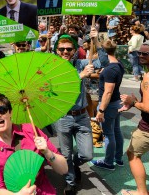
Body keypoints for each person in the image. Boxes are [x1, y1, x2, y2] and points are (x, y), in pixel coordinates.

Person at [53, 29, 108, 195]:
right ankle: (70, 182)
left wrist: (96, 41)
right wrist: (80, 76)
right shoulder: (52, 67)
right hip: (63, 117)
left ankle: (75, 165)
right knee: (67, 154)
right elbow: (56, 86)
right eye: (62, 49)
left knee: (87, 155)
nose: (65, 52)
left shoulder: (81, 63)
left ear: (74, 51)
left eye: (69, 49)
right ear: (56, 51)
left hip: (82, 116)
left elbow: (103, 62)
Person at [0, 92, 68, 195]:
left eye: (2, 110)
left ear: (10, 112)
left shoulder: (31, 131)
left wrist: (47, 152)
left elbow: (63, 169)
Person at [120, 42, 149, 195]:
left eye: (146, 54)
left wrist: (134, 102)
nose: (141, 56)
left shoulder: (148, 77)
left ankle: (141, 192)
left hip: (147, 128)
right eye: (140, 53)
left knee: (133, 155)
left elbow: (148, 107)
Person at [90, 40, 124, 170]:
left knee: (109, 133)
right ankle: (118, 158)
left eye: (99, 52)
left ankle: (108, 162)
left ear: (103, 52)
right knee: (116, 130)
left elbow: (108, 92)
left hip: (108, 105)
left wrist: (101, 110)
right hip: (116, 103)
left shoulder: (110, 69)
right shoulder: (118, 64)